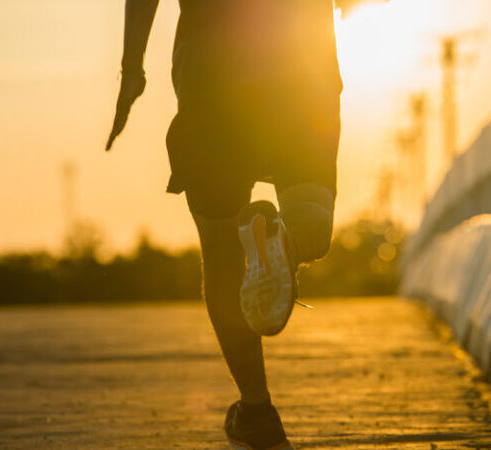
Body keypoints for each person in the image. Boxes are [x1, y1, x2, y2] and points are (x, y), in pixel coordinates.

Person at [106, 2, 341, 449]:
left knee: (220, 247)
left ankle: (256, 410)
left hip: (211, 70)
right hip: (303, 65)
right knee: (312, 224)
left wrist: (132, 69)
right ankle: (284, 243)